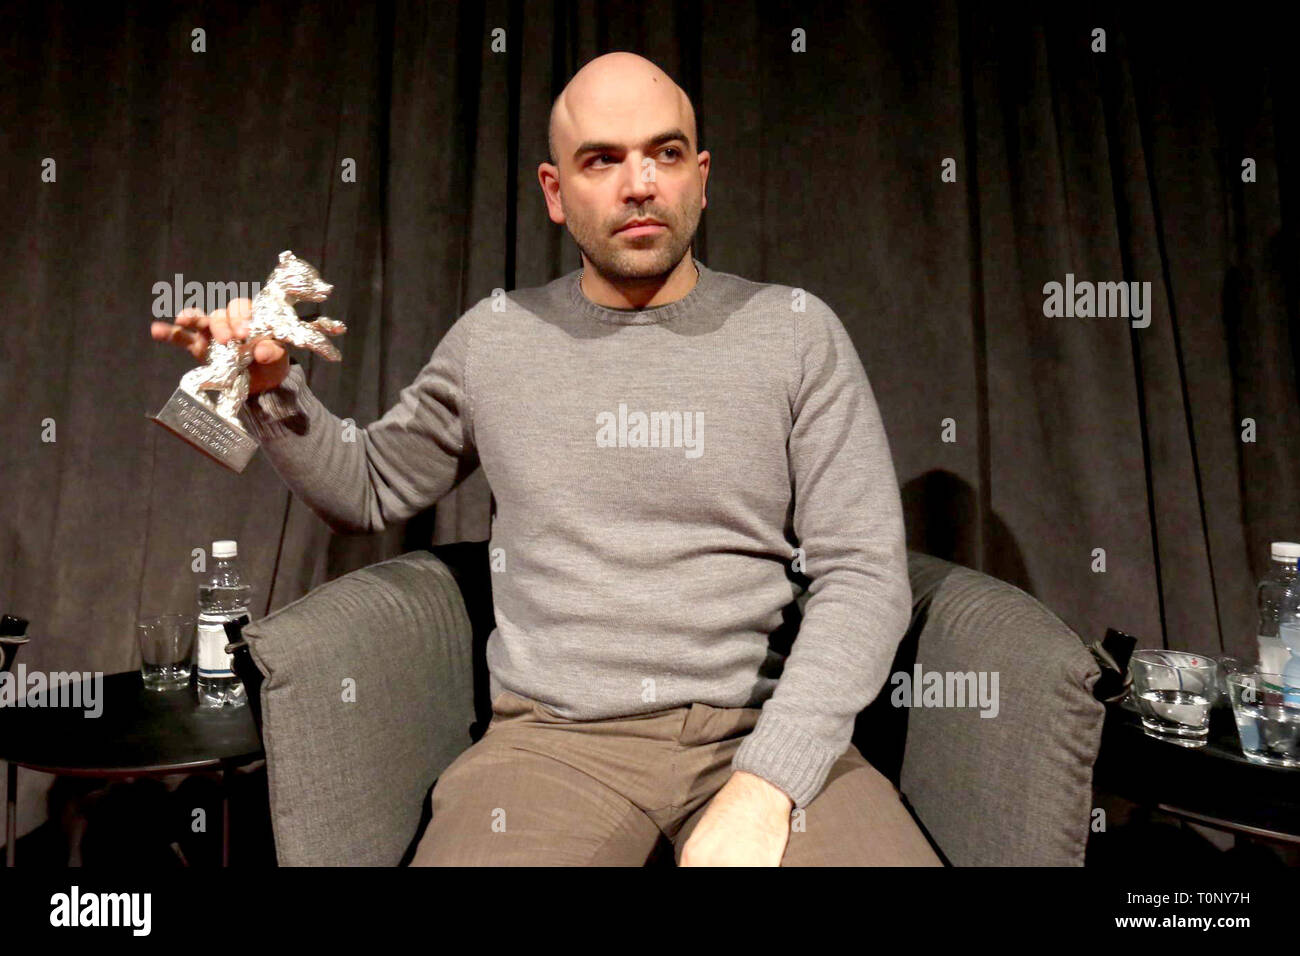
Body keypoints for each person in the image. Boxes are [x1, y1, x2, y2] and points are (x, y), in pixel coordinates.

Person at [151, 52, 941, 867]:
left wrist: (767, 783)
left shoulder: (796, 333)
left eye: (665, 154)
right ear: (555, 193)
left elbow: (864, 574)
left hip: (759, 727)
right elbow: (374, 486)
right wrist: (274, 388)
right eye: (602, 159)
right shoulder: (496, 338)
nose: (640, 185)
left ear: (700, 178)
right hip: (553, 745)